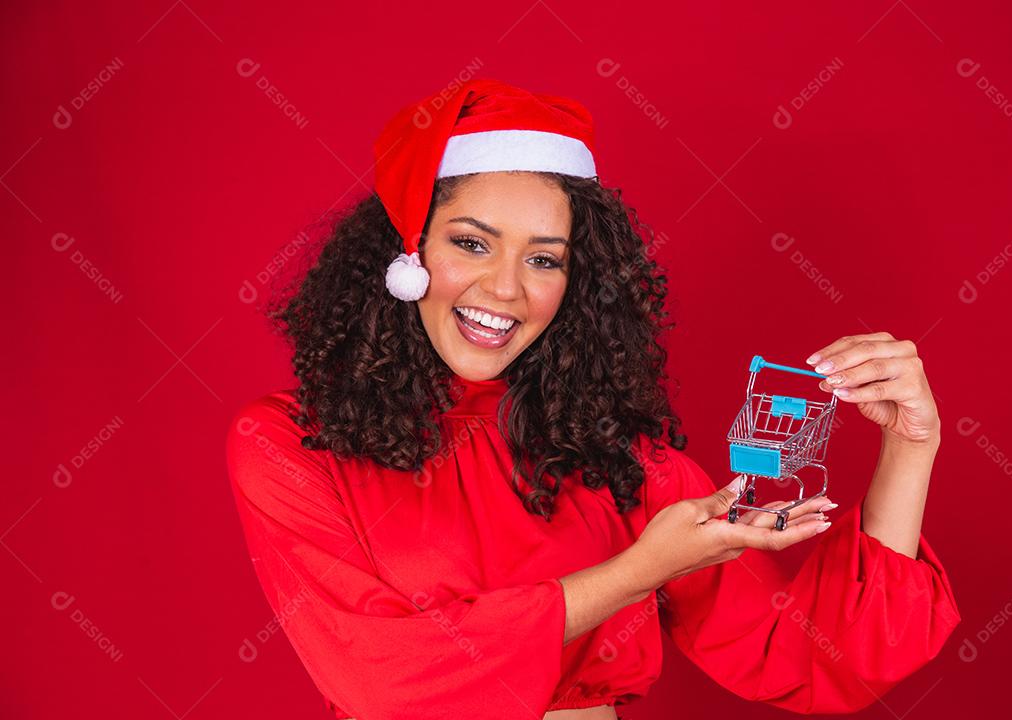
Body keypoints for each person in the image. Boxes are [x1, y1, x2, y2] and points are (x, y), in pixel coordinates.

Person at [225, 78, 960, 720]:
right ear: (406, 253)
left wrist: (909, 447)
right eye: (472, 244)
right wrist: (639, 571)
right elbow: (382, 675)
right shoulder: (289, 444)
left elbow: (810, 660)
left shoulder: (624, 462)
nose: (506, 288)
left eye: (543, 259)